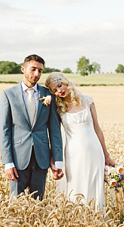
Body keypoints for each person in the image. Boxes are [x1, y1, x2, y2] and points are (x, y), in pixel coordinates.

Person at [45, 72, 115, 210]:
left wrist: (107, 156)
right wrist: (54, 158)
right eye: (55, 90)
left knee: (95, 187)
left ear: (65, 82)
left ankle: (97, 220)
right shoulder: (58, 108)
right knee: (77, 187)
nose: (60, 91)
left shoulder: (88, 100)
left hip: (95, 152)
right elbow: (55, 135)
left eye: (59, 85)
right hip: (74, 155)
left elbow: (97, 129)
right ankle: (79, 223)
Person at [0, 55, 64, 200]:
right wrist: (8, 163)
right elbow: (5, 131)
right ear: (23, 69)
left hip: (41, 159)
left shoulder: (48, 95)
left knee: (38, 202)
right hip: (17, 159)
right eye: (33, 69)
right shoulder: (8, 95)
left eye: (40, 71)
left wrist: (58, 160)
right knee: (16, 204)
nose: (36, 74)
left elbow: (54, 130)